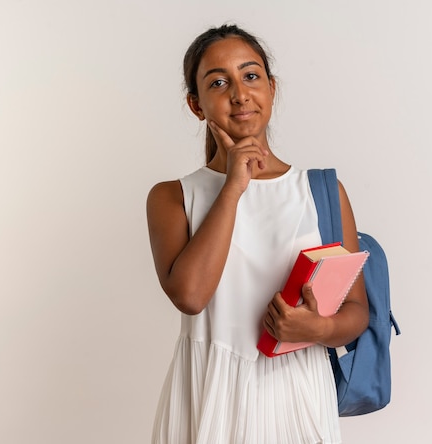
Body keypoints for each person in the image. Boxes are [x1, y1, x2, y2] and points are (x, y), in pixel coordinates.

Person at [146, 24, 369, 444]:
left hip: (297, 394)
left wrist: (318, 330)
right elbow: (191, 296)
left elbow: (357, 310)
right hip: (211, 394)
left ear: (272, 88)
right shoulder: (172, 197)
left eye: (251, 76)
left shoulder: (320, 191)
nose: (239, 93)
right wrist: (233, 187)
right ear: (196, 105)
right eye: (218, 82)